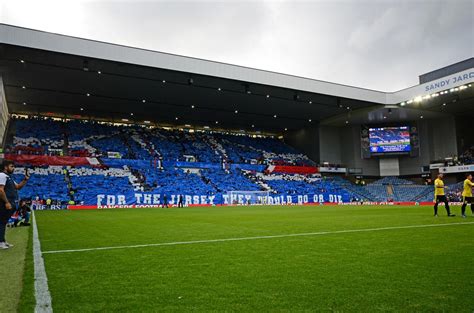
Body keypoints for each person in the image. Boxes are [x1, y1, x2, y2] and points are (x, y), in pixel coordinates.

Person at [0, 160, 30, 249]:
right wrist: (6, 202)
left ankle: (3, 241)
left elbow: (18, 187)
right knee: (1, 222)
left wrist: (25, 179)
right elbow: (1, 190)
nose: (13, 168)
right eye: (11, 166)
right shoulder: (2, 175)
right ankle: (1, 242)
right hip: (4, 203)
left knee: (3, 222)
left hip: (10, 203)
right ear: (5, 167)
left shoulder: (9, 177)